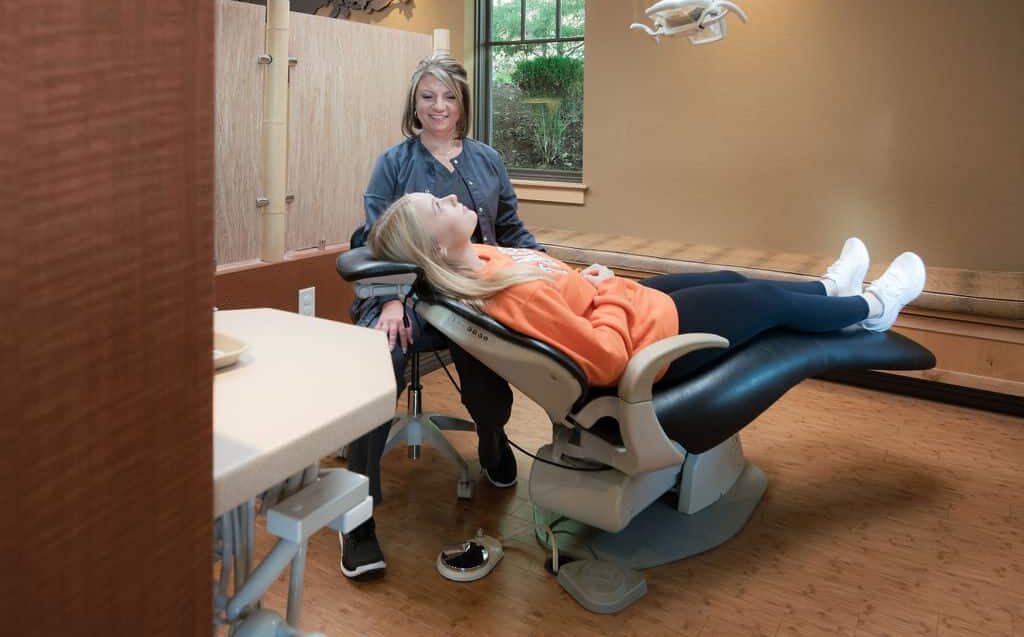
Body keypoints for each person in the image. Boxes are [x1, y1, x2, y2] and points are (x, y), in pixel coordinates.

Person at [367, 192, 928, 390]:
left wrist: (585, 281)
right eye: (436, 207)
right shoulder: (502, 291)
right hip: (648, 348)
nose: (448, 197)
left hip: (635, 308)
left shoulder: (484, 256)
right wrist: (607, 293)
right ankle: (874, 308)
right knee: (766, 306)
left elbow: (551, 281)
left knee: (731, 280)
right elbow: (605, 360)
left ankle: (829, 288)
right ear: (435, 250)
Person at [341, 54, 541, 581]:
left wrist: (547, 267)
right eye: (428, 96)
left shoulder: (487, 160)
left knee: (488, 371)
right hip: (406, 294)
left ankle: (493, 440)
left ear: (462, 104)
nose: (439, 106)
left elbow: (513, 230)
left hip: (473, 292)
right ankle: (356, 516)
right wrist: (388, 299)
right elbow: (373, 239)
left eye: (448, 96)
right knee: (380, 360)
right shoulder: (394, 163)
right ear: (414, 103)